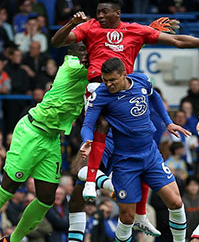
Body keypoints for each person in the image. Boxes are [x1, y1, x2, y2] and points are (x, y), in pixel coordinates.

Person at [51, 0, 199, 231]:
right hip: (100, 87)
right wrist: (71, 24)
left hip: (125, 92)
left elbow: (177, 41)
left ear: (117, 13)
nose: (100, 15)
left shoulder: (135, 31)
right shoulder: (90, 27)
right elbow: (57, 42)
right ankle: (92, 181)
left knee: (143, 140)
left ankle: (139, 213)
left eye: (104, 11)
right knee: (101, 125)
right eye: (98, 11)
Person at [0, 42, 90, 242]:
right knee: (9, 188)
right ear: (71, 52)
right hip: (32, 132)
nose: (87, 53)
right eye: (83, 49)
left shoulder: (87, 69)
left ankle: (13, 239)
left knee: (47, 198)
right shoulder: (72, 66)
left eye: (89, 49)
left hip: (52, 138)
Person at [80, 58, 191, 242]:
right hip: (126, 162)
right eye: (105, 79)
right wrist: (87, 140)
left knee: (176, 202)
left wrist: (168, 122)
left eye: (112, 80)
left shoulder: (141, 80)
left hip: (151, 155)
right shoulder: (101, 95)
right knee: (127, 218)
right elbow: (87, 125)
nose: (108, 84)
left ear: (124, 74)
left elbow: (154, 96)